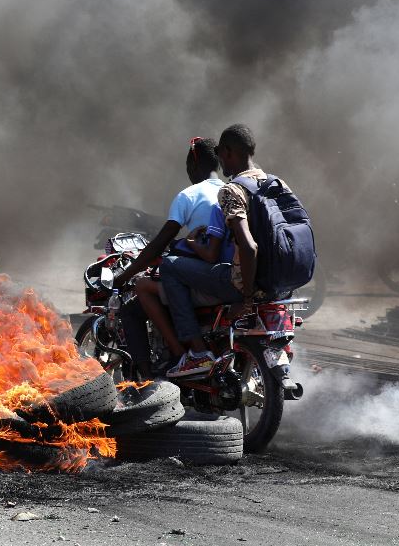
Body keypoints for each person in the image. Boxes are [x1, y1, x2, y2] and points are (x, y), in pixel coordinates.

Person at [160, 123, 280, 377]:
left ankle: (198, 354)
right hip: (274, 282)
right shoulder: (274, 184)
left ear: (226, 152)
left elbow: (247, 247)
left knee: (169, 265)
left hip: (240, 281)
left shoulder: (230, 192)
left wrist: (247, 299)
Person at [117, 137, 225, 379]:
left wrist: (126, 274)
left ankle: (159, 373)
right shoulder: (232, 191)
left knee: (136, 300)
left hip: (207, 281)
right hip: (229, 275)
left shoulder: (189, 195)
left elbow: (159, 244)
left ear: (193, 165)